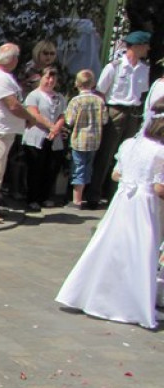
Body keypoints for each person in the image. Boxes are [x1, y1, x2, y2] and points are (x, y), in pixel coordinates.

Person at [56, 100, 164, 329]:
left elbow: (116, 174)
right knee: (140, 251)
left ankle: (90, 295)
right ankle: (131, 304)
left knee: (109, 246)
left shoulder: (129, 144)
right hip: (144, 206)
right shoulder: (160, 152)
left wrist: (131, 180)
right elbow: (158, 188)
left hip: (123, 202)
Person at [0, 43, 53, 223]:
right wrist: (30, 118)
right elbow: (13, 105)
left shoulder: (3, 76)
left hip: (5, 130)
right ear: (13, 59)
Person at [87, 30, 153, 209]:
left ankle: (114, 195)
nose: (148, 48)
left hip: (133, 113)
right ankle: (94, 194)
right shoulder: (114, 67)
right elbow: (100, 92)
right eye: (145, 45)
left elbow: (143, 93)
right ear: (137, 46)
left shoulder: (143, 68)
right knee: (106, 155)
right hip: (115, 110)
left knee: (127, 155)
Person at [21, 66, 66, 211]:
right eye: (47, 77)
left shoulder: (59, 97)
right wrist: (50, 126)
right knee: (35, 168)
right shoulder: (34, 95)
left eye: (53, 78)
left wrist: (56, 128)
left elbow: (62, 115)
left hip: (54, 138)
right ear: (41, 78)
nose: (50, 80)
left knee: (51, 168)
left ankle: (44, 197)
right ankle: (32, 198)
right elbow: (34, 114)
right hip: (36, 136)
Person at [64, 69, 108, 209]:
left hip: (79, 139)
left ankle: (76, 199)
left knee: (78, 167)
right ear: (93, 83)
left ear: (77, 83)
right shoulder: (99, 100)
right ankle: (85, 196)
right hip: (95, 139)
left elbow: (69, 120)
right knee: (88, 167)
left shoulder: (76, 101)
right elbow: (105, 120)